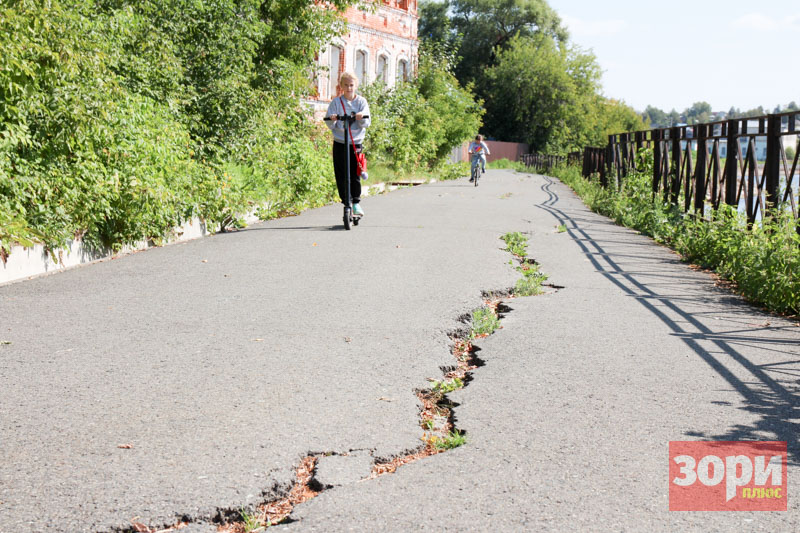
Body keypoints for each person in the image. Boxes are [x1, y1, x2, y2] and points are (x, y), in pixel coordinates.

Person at [325, 71, 371, 216]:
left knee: (355, 173)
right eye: (346, 85)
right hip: (340, 142)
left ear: (355, 86)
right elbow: (329, 123)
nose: (349, 88)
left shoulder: (361, 102)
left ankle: (356, 202)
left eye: (351, 85)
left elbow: (367, 122)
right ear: (341, 86)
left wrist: (360, 117)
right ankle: (346, 201)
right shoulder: (336, 102)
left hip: (355, 142)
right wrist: (332, 119)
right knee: (341, 173)